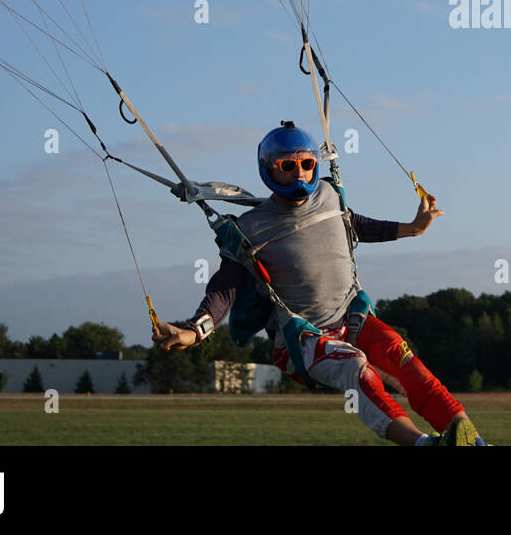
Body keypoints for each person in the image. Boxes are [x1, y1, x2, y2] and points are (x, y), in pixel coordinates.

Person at [152, 121, 485, 446]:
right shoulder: (250, 228)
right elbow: (224, 288)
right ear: (269, 169)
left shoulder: (328, 195)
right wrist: (194, 331)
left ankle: (471, 439)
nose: (300, 173)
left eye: (307, 164)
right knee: (356, 368)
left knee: (403, 358)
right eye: (288, 165)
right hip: (302, 340)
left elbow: (356, 225)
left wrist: (412, 228)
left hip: (352, 319)